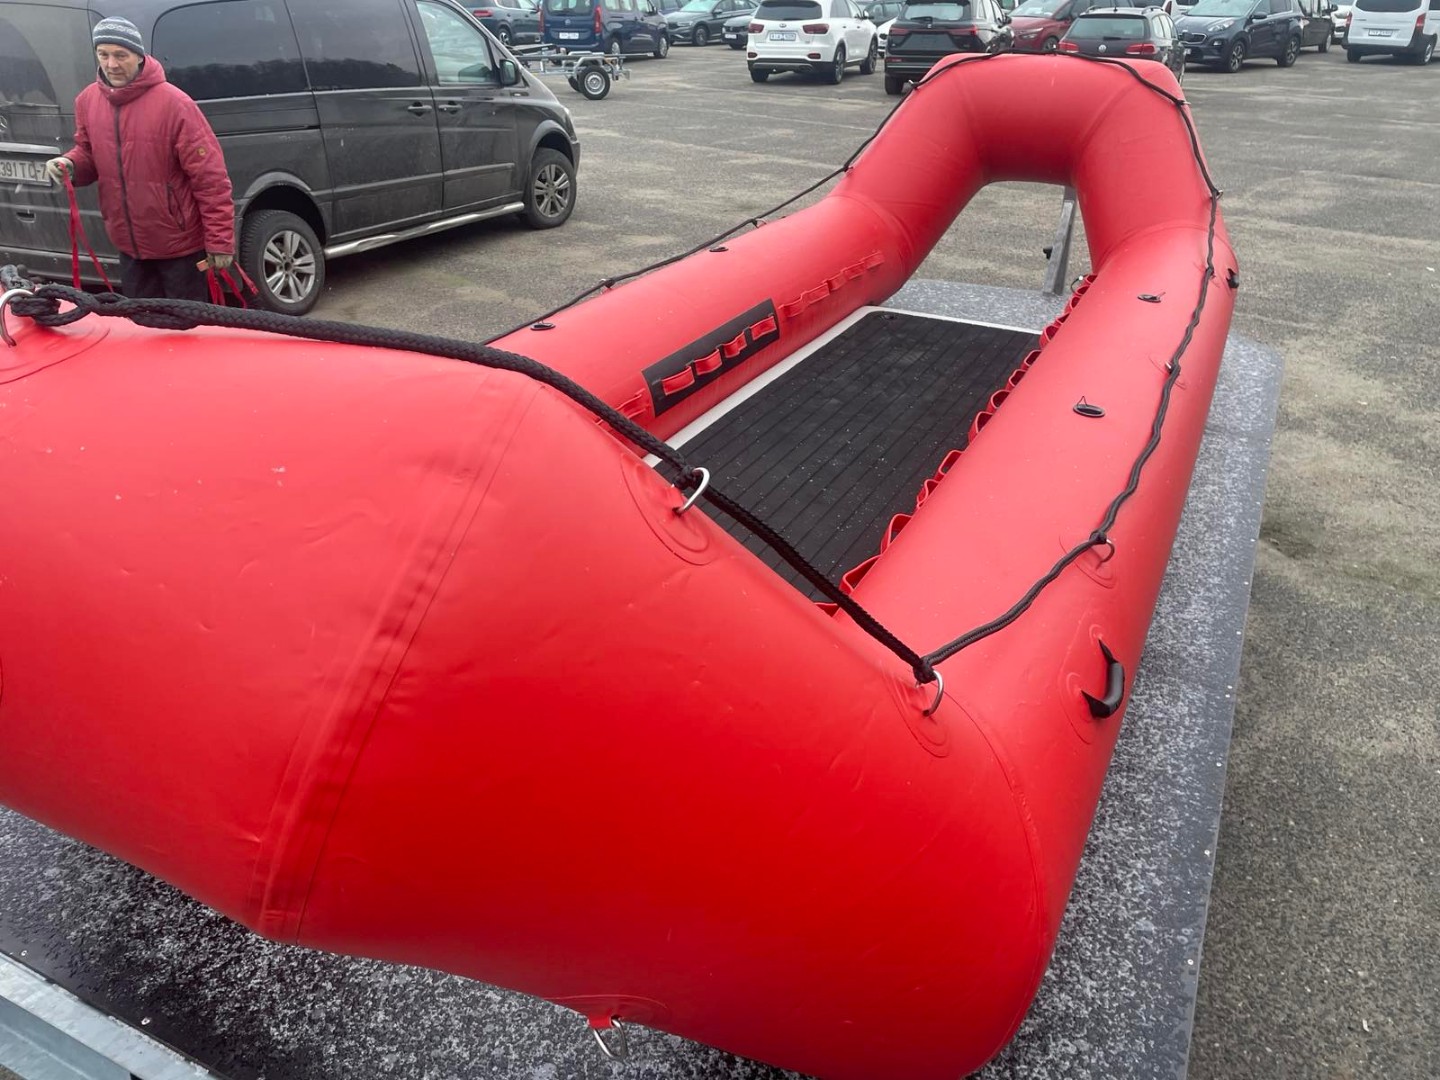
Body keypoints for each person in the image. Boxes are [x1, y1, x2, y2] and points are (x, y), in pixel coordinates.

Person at [45, 17, 235, 303]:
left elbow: (211, 179)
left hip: (179, 247)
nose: (111, 64)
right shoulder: (87, 100)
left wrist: (220, 242)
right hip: (129, 246)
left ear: (139, 55)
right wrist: (70, 164)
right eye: (103, 54)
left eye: (120, 55)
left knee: (187, 325)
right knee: (140, 323)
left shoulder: (176, 104)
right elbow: (88, 152)